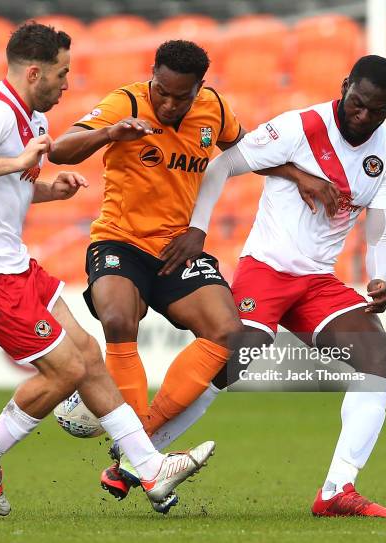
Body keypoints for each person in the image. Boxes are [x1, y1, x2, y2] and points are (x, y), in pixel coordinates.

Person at [0, 22, 215, 517]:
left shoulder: (35, 121)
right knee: (65, 370)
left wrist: (46, 188)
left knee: (87, 355)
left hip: (14, 265)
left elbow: (7, 183)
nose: (67, 84)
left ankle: (149, 469)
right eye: (62, 74)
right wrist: (17, 162)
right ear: (35, 71)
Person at [48, 39, 339, 501]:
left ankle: (137, 446)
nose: (166, 102)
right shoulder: (124, 102)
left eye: (178, 96)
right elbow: (60, 151)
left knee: (229, 333)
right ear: (152, 76)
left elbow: (248, 150)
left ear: (199, 88)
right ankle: (146, 458)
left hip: (176, 248)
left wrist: (301, 176)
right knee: (119, 319)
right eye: (160, 90)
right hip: (119, 241)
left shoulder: (214, 111)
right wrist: (109, 134)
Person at [149, 55, 386, 518]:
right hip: (266, 268)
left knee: (381, 357)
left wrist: (380, 275)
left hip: (317, 282)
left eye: (378, 111)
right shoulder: (299, 126)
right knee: (234, 357)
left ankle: (337, 490)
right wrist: (198, 230)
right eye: (357, 104)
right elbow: (221, 165)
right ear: (344, 85)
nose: (363, 117)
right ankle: (140, 452)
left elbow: (382, 227)